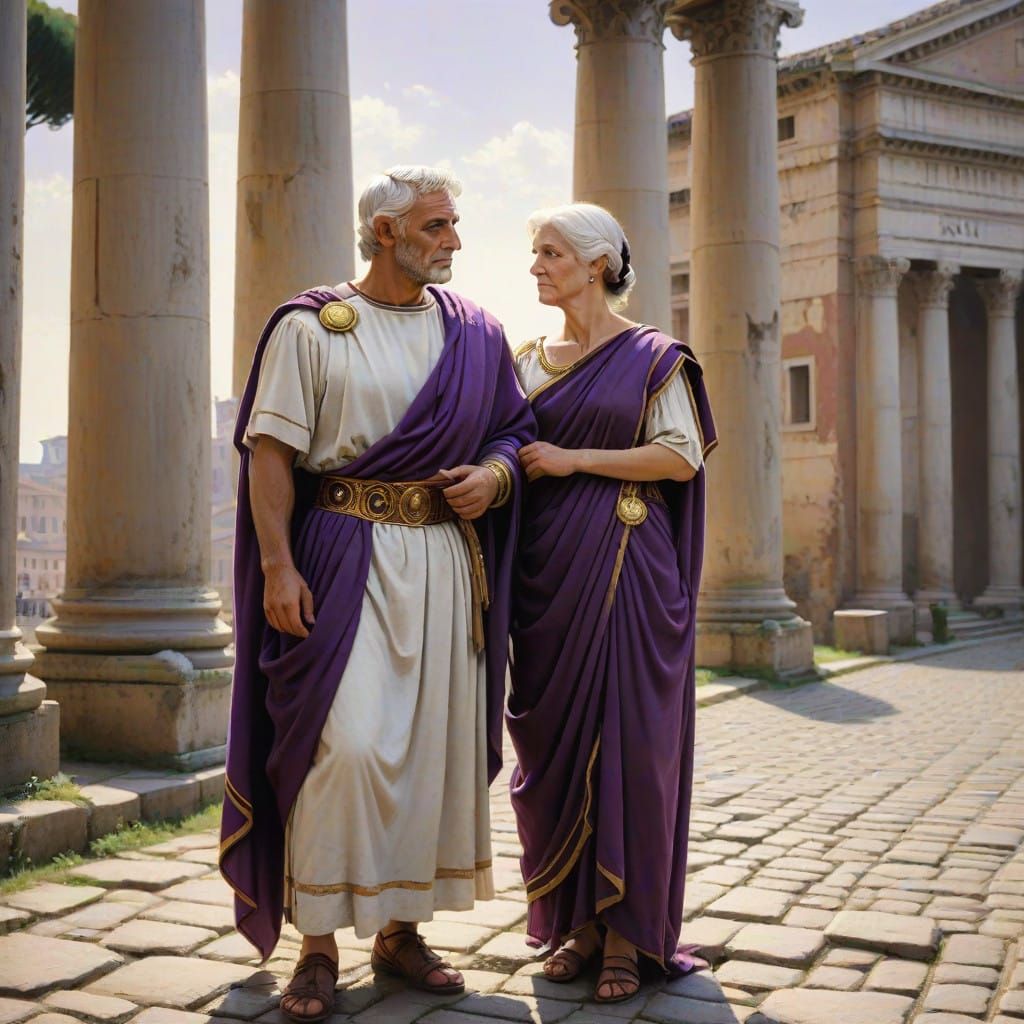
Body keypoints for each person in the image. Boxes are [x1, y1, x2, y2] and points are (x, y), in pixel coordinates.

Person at [219, 165, 535, 1022]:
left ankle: (399, 931)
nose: (455, 242)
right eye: (437, 226)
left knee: (431, 753)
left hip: (442, 561)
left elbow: (515, 430)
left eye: (455, 224)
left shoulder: (476, 331)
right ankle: (317, 946)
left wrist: (498, 477)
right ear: (386, 231)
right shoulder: (314, 325)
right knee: (345, 746)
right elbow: (272, 454)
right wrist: (280, 565)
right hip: (343, 556)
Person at [506, 203, 715, 1004]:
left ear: (596, 263)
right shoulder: (527, 362)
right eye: (536, 253)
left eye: (551, 252)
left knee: (635, 748)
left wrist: (571, 460)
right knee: (553, 745)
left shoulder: (655, 356)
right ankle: (576, 924)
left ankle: (629, 935)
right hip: (547, 578)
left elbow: (679, 457)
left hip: (633, 569)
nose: (536, 266)